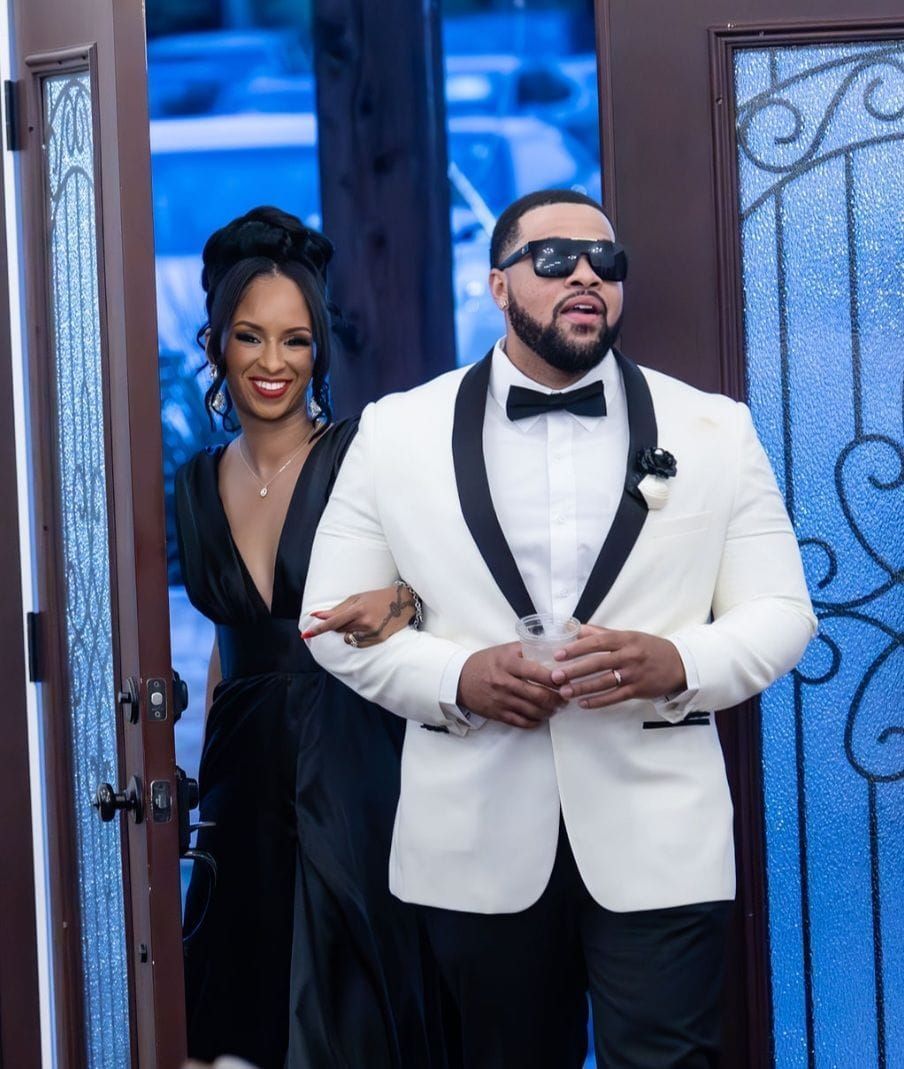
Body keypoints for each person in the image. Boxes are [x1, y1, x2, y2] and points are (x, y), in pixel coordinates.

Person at [300, 189, 817, 1068]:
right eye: (554, 259)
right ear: (498, 286)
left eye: (605, 261)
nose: (586, 275)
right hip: (473, 839)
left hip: (661, 836)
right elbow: (330, 621)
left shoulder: (715, 430)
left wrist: (678, 659)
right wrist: (457, 679)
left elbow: (783, 611)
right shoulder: (394, 433)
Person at [176, 206, 442, 1069]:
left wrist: (394, 606)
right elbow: (226, 645)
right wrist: (202, 781)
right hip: (239, 771)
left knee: (351, 998)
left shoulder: (361, 455)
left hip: (351, 750)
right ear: (216, 343)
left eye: (295, 340)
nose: (273, 362)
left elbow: (439, 592)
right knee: (240, 1005)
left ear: (319, 349)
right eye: (250, 337)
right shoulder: (192, 483)